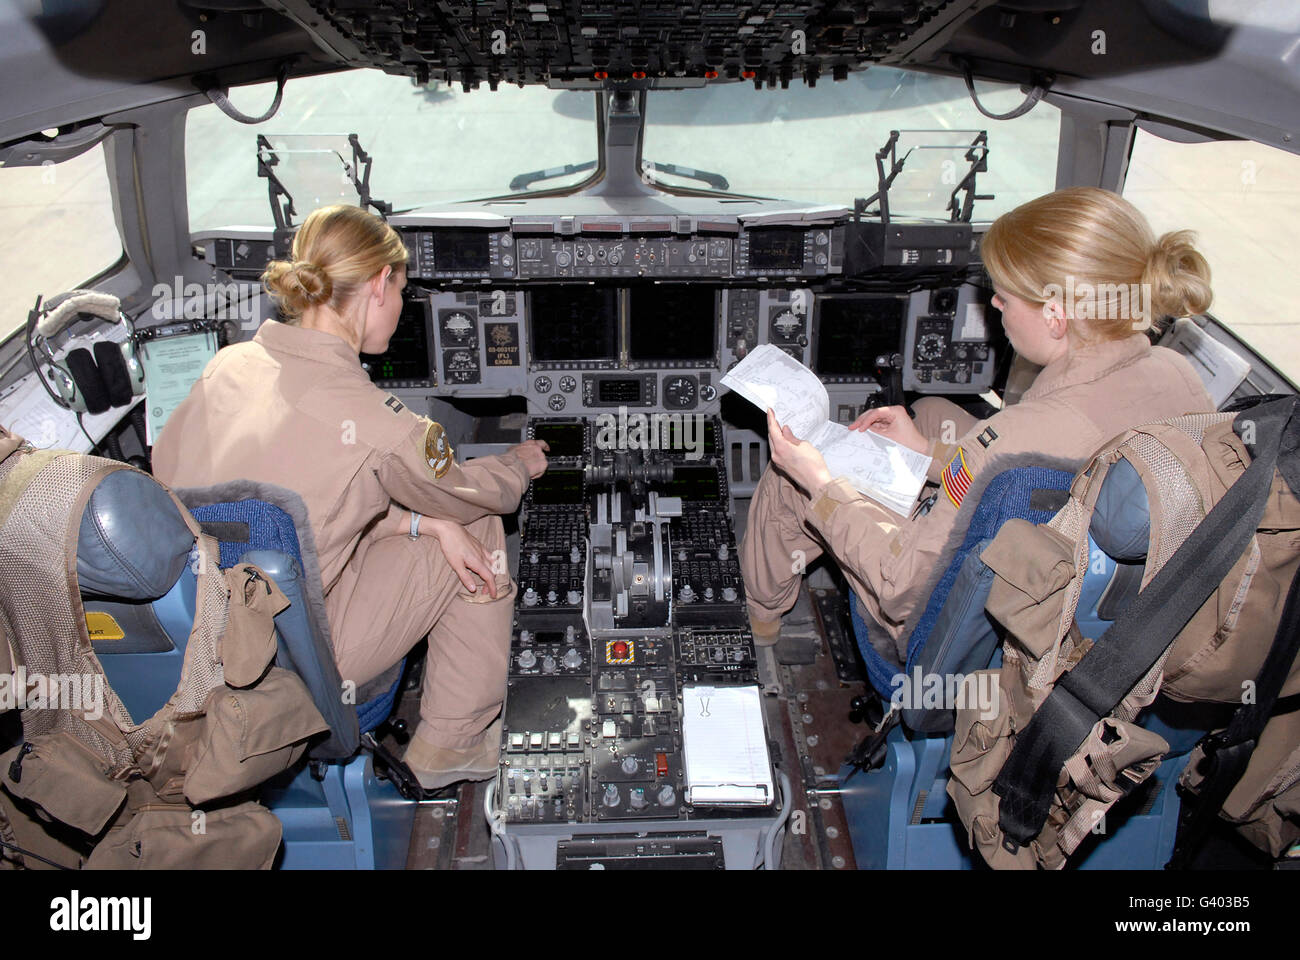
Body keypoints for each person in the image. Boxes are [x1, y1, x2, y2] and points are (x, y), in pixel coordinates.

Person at [152, 204, 549, 788]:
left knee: (435, 526)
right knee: (477, 526)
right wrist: (516, 463)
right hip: (298, 657)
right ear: (379, 284)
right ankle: (451, 744)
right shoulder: (375, 420)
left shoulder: (227, 366)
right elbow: (462, 493)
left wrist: (417, 524)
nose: (401, 306)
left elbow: (264, 514)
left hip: (197, 635)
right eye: (404, 290)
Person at [740, 187, 1216, 656]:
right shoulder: (1178, 375)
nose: (994, 305)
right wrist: (928, 453)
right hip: (1104, 616)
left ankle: (761, 617)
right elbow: (1021, 485)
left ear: (1055, 316)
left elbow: (900, 584)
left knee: (796, 475)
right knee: (928, 416)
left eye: (1005, 296)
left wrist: (821, 484)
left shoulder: (1020, 436)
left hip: (942, 633)